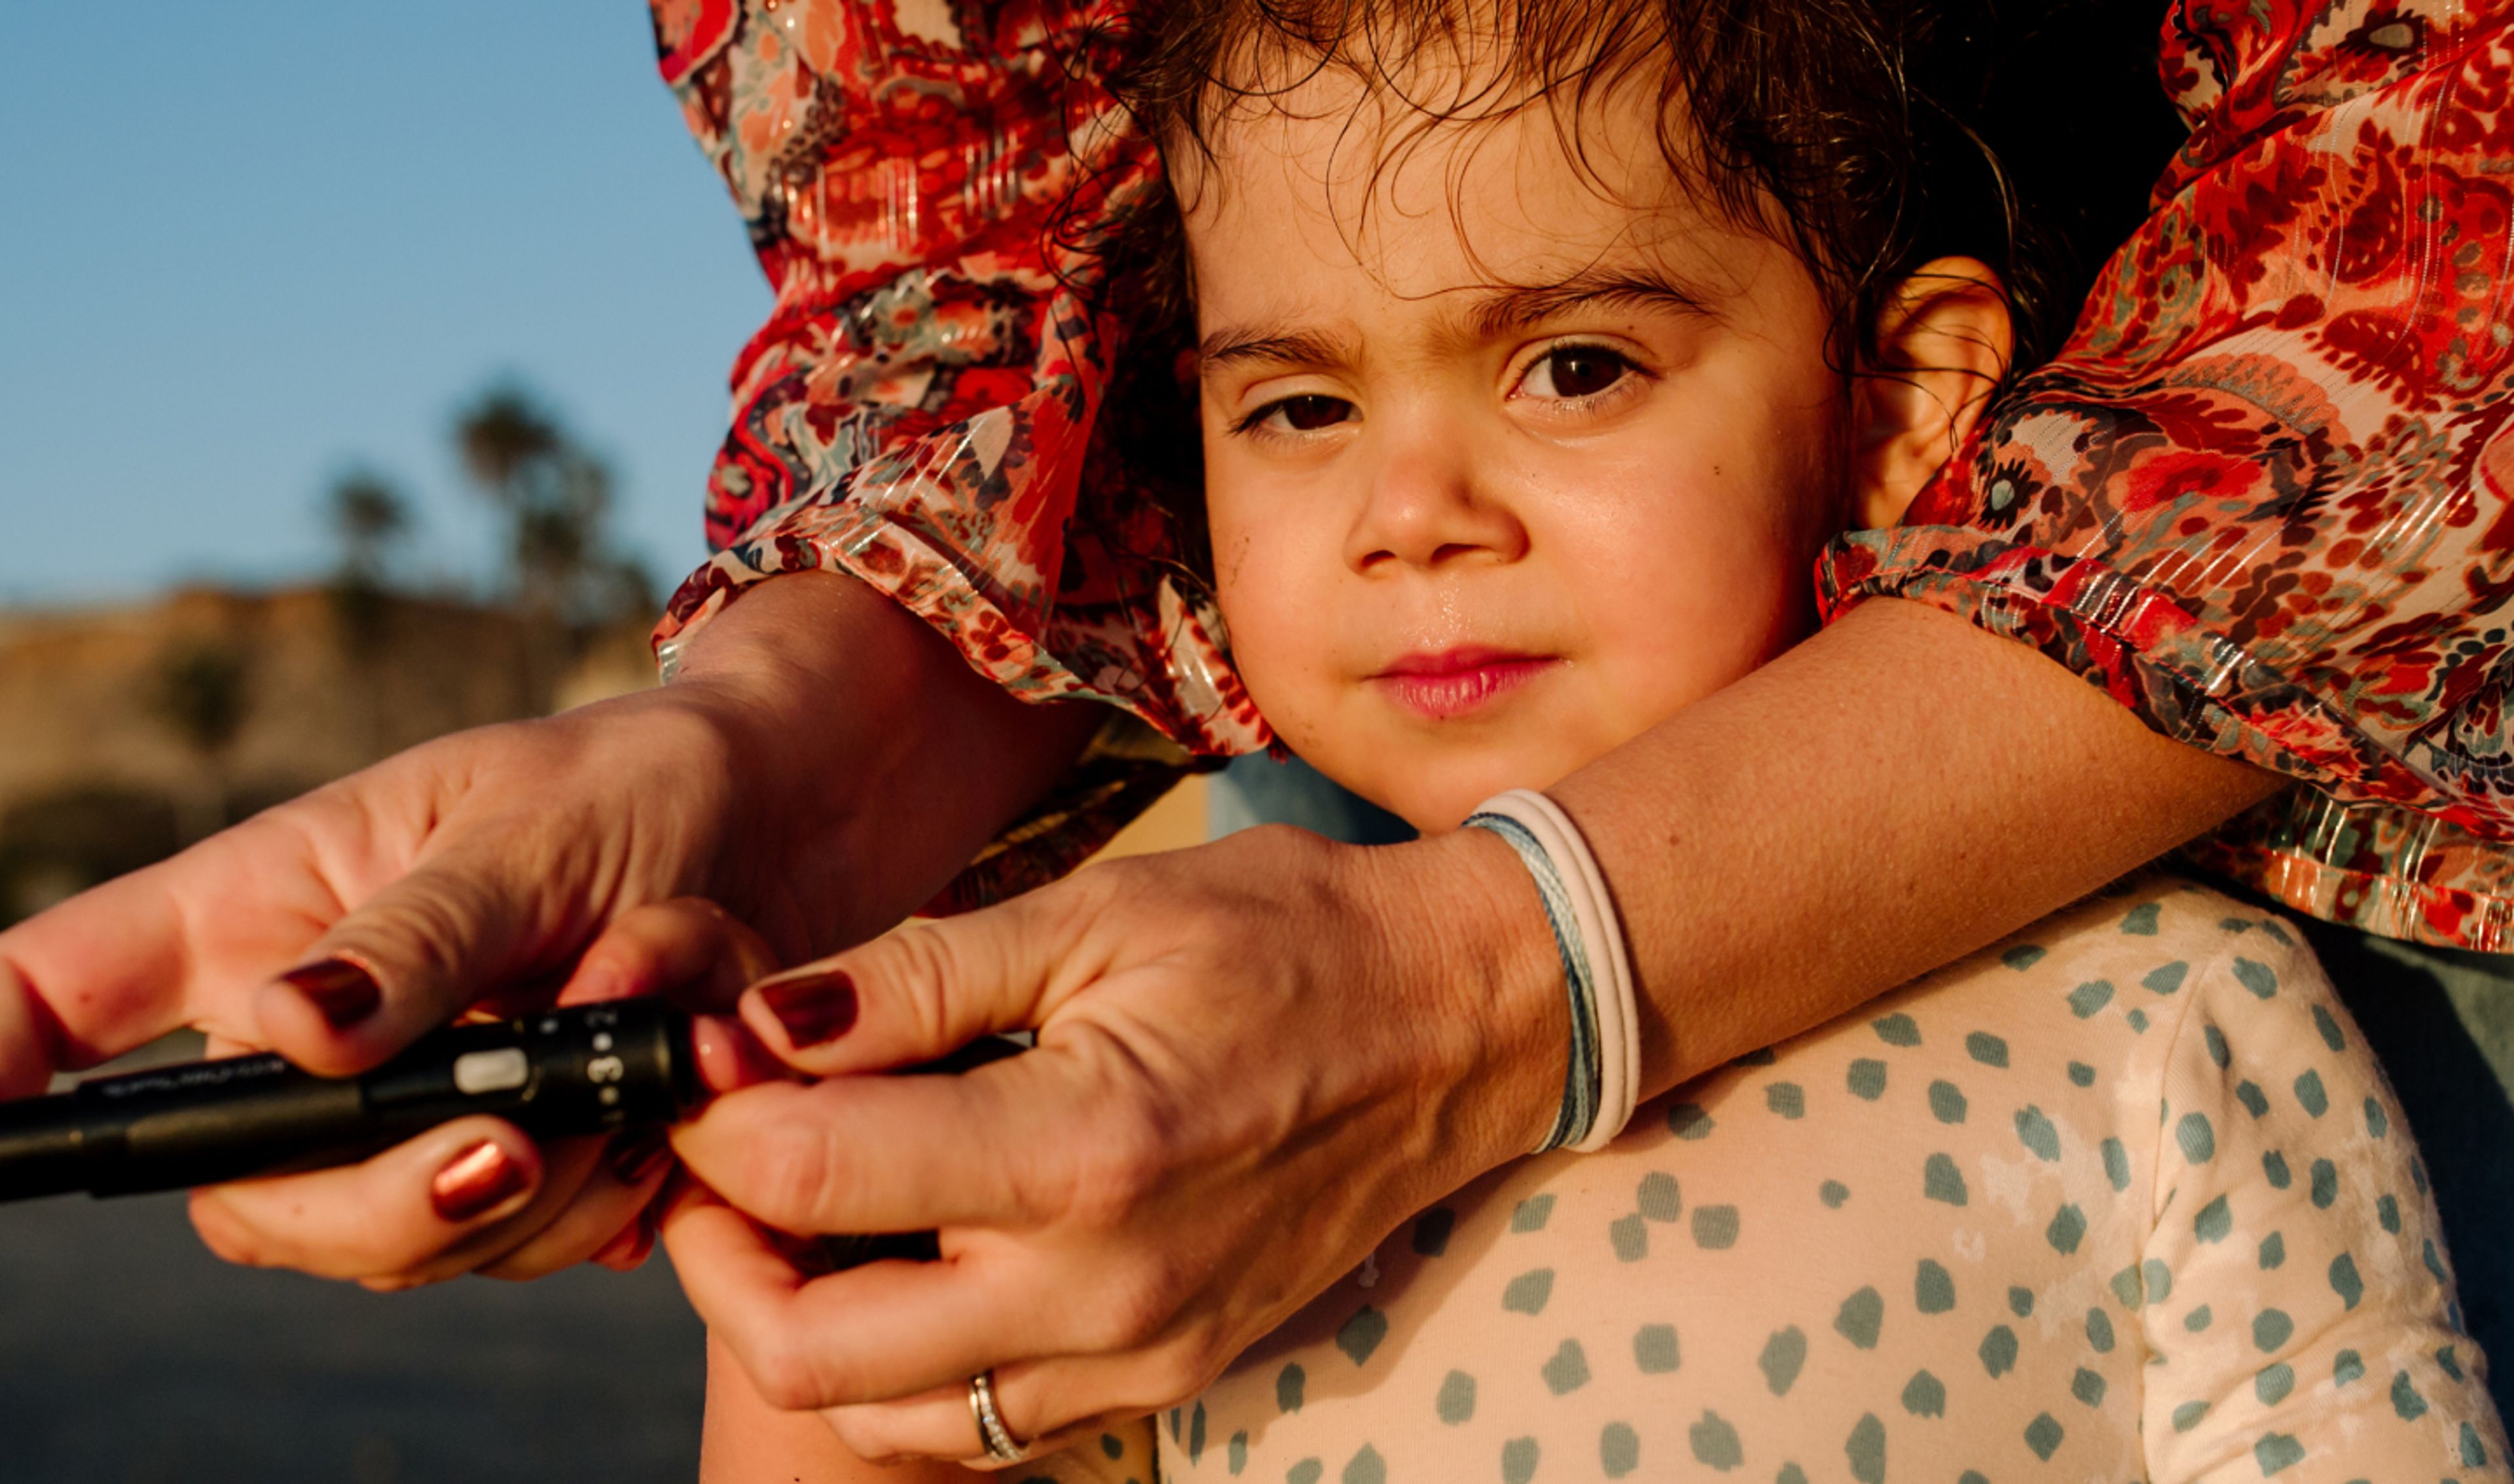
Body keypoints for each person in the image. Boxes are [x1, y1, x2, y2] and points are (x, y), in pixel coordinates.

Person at [0, 0, 2506, 1460]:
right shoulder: (1029, 1017)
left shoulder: (2166, 1014)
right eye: (1294, 406)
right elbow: (951, 238)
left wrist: (1507, 969)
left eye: (1575, 364)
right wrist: (791, 1228)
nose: (1413, 509)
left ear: (1901, 402)